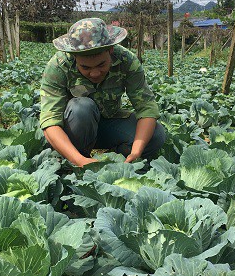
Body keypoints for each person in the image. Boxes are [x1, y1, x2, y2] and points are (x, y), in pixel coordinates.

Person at [39, 17, 166, 167]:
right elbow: (50, 121)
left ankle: (118, 160)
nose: (94, 73)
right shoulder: (58, 66)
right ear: (74, 57)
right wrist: (78, 160)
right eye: (85, 68)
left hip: (109, 124)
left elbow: (146, 108)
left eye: (101, 65)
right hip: (74, 130)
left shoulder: (126, 61)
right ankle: (74, 160)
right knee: (81, 108)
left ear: (110, 50)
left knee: (156, 135)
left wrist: (136, 151)